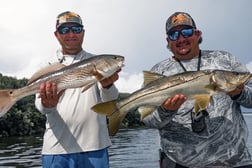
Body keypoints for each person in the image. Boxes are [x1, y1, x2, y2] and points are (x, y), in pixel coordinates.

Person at [143, 11, 252, 168]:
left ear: (197, 34)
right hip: (180, 163)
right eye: (174, 35)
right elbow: (148, 120)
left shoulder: (225, 59)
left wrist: (239, 93)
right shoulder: (159, 71)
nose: (181, 39)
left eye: (186, 32)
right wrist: (164, 111)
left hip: (235, 160)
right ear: (168, 40)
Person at [35, 11, 121, 168]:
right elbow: (41, 107)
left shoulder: (98, 61)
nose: (70, 34)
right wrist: (48, 104)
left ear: (83, 32)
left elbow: (111, 102)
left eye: (76, 29)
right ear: (56, 34)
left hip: (96, 146)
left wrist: (107, 85)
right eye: (64, 30)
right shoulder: (47, 66)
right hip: (56, 149)